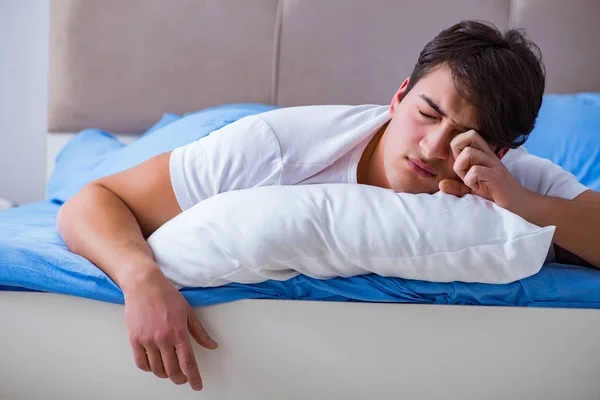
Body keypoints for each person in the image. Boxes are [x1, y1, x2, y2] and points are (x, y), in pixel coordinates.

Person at [56, 20, 600, 391]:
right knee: (90, 160)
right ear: (399, 94)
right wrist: (140, 278)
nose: (433, 149)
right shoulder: (273, 145)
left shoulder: (507, 174)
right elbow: (91, 201)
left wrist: (522, 202)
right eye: (427, 113)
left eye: (464, 136)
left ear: (500, 150)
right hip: (217, 132)